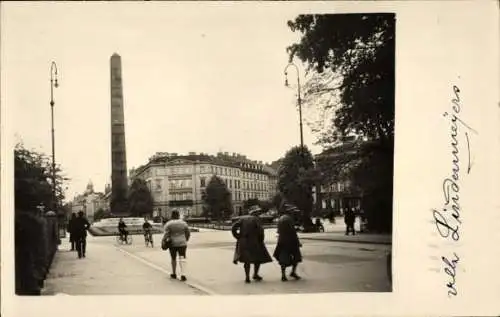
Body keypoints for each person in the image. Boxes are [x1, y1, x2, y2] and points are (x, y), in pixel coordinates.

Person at [231, 205, 272, 283]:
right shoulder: (256, 219)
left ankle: (247, 277)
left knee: (247, 260)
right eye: (258, 212)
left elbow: (234, 227)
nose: (259, 213)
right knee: (257, 258)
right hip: (253, 241)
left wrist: (238, 236)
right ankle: (255, 274)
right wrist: (261, 240)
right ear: (255, 213)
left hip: (243, 242)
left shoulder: (242, 218)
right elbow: (261, 231)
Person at [273, 205, 303, 281]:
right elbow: (292, 232)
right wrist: (298, 242)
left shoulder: (281, 218)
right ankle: (293, 272)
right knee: (296, 256)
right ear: (290, 211)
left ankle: (283, 275)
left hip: (282, 241)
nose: (294, 212)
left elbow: (279, 231)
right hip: (291, 241)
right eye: (293, 211)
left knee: (283, 258)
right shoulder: (289, 219)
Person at [163, 210, 190, 281]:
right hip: (182, 243)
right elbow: (188, 233)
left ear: (171, 215)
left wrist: (164, 241)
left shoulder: (168, 224)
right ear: (178, 215)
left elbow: (166, 234)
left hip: (172, 243)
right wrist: (185, 239)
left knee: (173, 258)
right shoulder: (184, 223)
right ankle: (183, 274)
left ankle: (174, 273)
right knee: (182, 257)